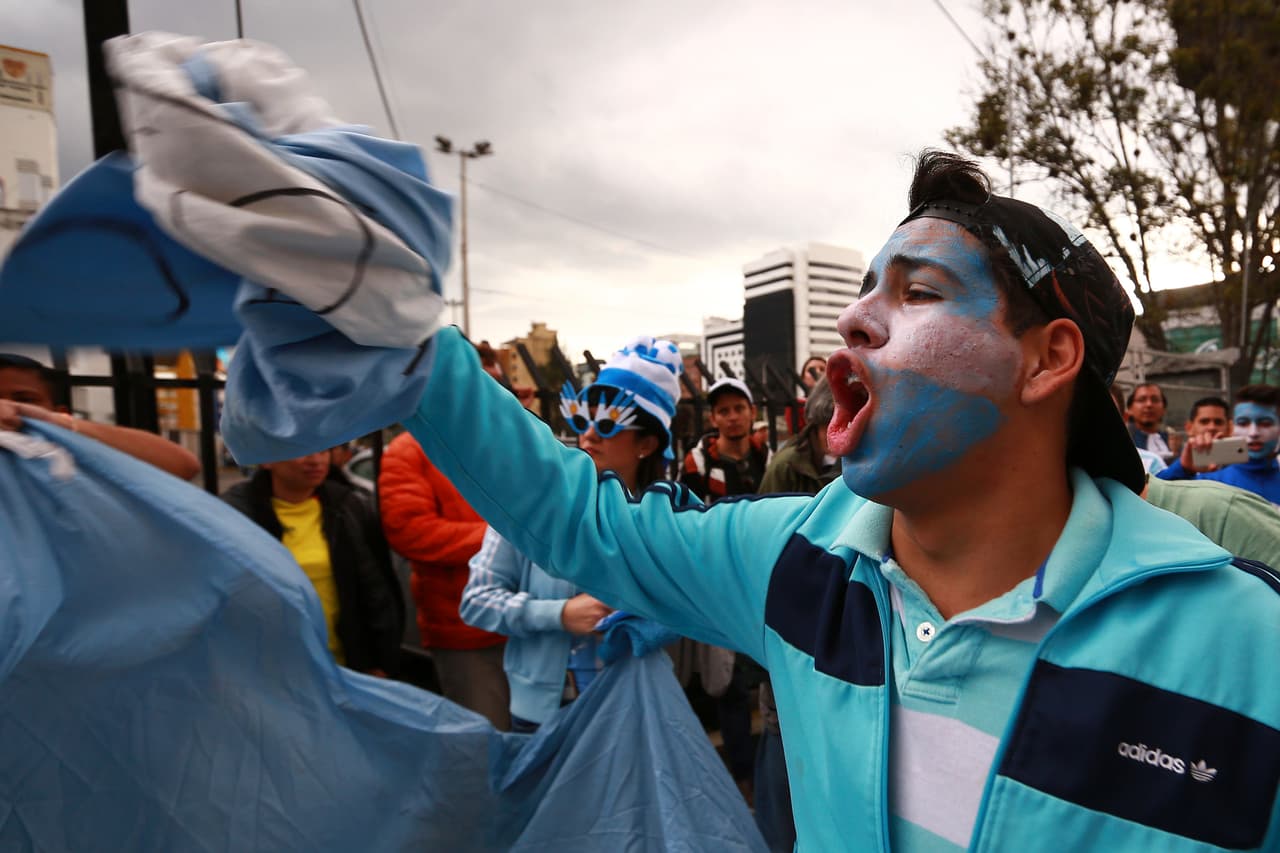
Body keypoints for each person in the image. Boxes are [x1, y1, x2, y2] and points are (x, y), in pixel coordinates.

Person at [398, 150, 1280, 851]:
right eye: (864, 291)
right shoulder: (797, 562)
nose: (855, 320)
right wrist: (404, 335)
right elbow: (579, 519)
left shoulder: (1243, 644)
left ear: (1047, 359)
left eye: (920, 291)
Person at [460, 337, 680, 732]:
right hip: (542, 715)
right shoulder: (529, 505)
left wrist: (649, 616)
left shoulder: (666, 518)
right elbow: (477, 600)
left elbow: (692, 606)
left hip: (631, 707)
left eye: (608, 423)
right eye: (582, 420)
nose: (589, 436)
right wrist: (559, 614)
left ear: (647, 443)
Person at [221, 449, 403, 675]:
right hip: (269, 671)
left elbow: (375, 591)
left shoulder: (348, 507)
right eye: (301, 450)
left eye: (323, 450)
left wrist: (379, 661)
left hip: (343, 669)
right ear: (267, 460)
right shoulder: (236, 514)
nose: (316, 460)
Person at [753, 375, 838, 851]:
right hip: (792, 609)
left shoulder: (853, 459)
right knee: (780, 728)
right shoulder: (787, 466)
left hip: (835, 607)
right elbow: (769, 540)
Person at [379, 430, 511, 730]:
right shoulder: (410, 450)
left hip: (531, 624)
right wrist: (502, 537)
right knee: (485, 738)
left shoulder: (502, 437)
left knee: (538, 740)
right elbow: (410, 532)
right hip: (466, 630)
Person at [681, 374, 771, 801]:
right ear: (713, 418)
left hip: (764, 581)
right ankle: (744, 779)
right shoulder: (696, 465)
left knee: (766, 676)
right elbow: (687, 520)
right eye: (723, 411)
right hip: (718, 582)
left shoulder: (766, 456)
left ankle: (770, 775)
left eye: (738, 408)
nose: (732, 417)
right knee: (728, 684)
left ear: (751, 413)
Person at [0, 352, 200, 480]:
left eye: (24, 399)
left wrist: (56, 423)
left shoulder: (74, 454)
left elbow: (182, 466)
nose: (7, 409)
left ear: (59, 411)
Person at [1158, 383, 1280, 504]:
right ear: (1233, 427)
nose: (1253, 433)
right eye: (1243, 423)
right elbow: (1152, 499)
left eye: (1265, 423)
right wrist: (1183, 469)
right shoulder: (1209, 482)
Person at [1126, 382, 1174, 457]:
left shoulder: (1171, 440)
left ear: (1164, 409)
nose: (1149, 404)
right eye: (1141, 400)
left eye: (1155, 400)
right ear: (1130, 409)